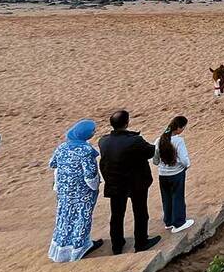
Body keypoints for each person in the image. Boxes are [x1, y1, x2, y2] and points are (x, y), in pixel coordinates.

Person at [99, 110, 159, 254]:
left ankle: (117, 245)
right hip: (136, 183)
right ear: (127, 123)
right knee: (140, 213)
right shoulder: (135, 141)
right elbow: (151, 152)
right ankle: (141, 242)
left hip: (114, 183)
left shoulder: (103, 141)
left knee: (117, 215)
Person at [48, 119, 104, 262]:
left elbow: (52, 163)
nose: (93, 133)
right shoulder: (86, 150)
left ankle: (61, 247)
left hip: (64, 191)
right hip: (81, 192)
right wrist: (95, 186)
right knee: (81, 218)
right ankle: (78, 248)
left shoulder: (62, 147)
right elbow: (90, 175)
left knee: (64, 217)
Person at [153, 116, 194, 233]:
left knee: (166, 198)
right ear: (179, 128)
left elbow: (155, 160)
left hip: (162, 175)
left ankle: (168, 221)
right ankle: (179, 223)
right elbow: (184, 159)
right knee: (177, 196)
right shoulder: (178, 141)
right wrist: (187, 165)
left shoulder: (158, 140)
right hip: (176, 174)